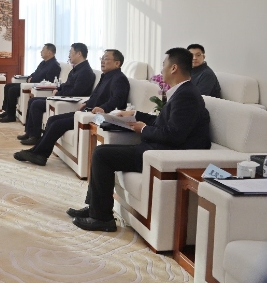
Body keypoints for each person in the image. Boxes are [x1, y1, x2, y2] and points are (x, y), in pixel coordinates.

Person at [68, 47, 211, 232]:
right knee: (101, 152)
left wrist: (143, 129)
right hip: (156, 148)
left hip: (162, 153)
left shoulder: (186, 96)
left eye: (164, 64)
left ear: (174, 68)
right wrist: (134, 115)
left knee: (102, 155)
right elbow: (162, 122)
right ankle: (94, 208)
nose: (161, 69)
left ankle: (102, 218)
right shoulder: (182, 92)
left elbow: (174, 135)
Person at [14, 49, 130, 165]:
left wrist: (103, 108)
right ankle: (36, 151)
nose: (102, 61)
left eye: (106, 59)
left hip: (97, 117)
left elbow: (117, 100)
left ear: (117, 63)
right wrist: (87, 103)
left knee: (57, 124)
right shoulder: (106, 76)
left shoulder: (119, 79)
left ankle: (39, 154)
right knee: (52, 119)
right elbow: (96, 96)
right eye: (102, 58)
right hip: (87, 111)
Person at [18, 43, 96, 145]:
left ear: (79, 54)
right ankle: (29, 132)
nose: (69, 55)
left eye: (70, 52)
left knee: (36, 104)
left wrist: (59, 92)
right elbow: (67, 84)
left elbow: (76, 92)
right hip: (62, 96)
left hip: (69, 100)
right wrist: (58, 88)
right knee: (32, 100)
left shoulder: (85, 71)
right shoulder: (77, 69)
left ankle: (35, 136)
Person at [0, 43, 61, 123]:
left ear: (49, 53)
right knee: (8, 86)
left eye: (43, 50)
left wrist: (32, 80)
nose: (41, 52)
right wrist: (29, 78)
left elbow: (48, 81)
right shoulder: (43, 63)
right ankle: (7, 111)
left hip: (36, 86)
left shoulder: (54, 65)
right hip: (31, 83)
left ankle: (11, 116)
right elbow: (35, 73)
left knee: (12, 90)